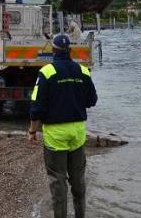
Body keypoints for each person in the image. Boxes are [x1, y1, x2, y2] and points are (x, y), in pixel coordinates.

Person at [28, 34, 98, 218]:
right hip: (77, 132)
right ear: (70, 51)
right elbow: (92, 100)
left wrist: (32, 130)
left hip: (55, 134)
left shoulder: (46, 72)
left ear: (53, 51)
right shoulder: (82, 70)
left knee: (58, 181)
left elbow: (37, 106)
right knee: (78, 180)